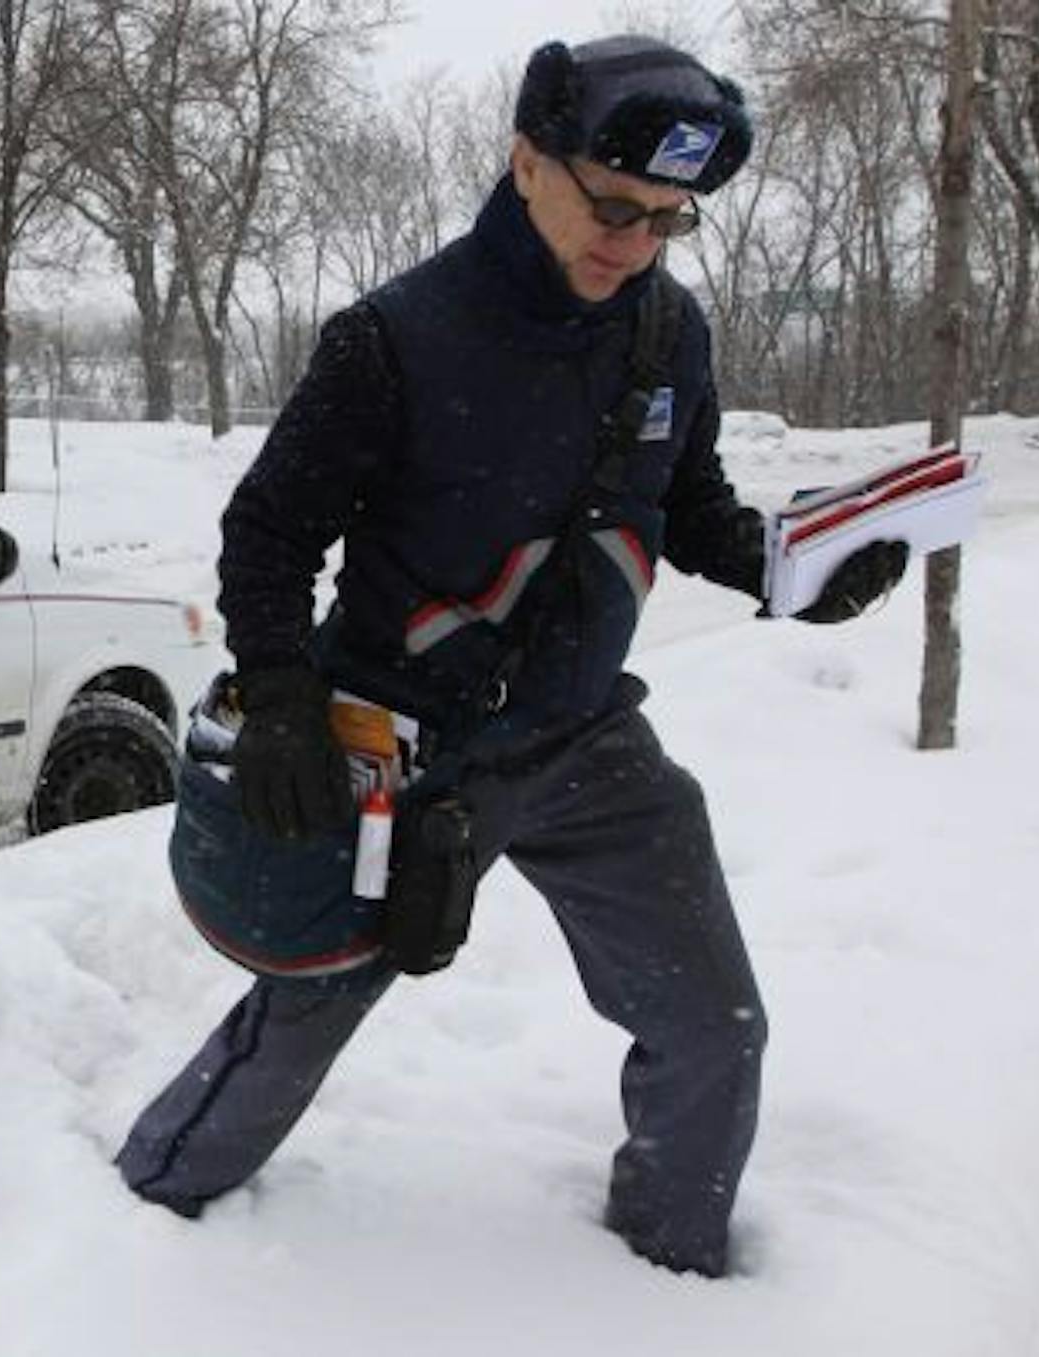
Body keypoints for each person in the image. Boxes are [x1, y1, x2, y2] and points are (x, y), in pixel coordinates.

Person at [113, 34, 909, 1279]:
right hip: (407, 751)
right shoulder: (393, 337)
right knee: (301, 1012)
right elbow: (268, 533)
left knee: (713, 1022)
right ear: (528, 162)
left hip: (589, 743)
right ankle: (141, 1212)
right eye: (610, 205)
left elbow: (685, 506)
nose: (633, 243)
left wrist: (788, 571)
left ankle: (673, 1272)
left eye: (665, 220)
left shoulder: (670, 335)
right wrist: (278, 694)